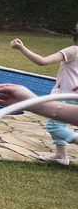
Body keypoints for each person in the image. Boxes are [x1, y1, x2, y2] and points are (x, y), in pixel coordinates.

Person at [8, 32, 78, 165]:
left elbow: (42, 61)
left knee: (54, 127)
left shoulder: (73, 50)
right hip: (75, 95)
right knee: (58, 124)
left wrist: (21, 48)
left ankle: (64, 152)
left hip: (64, 94)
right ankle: (61, 155)